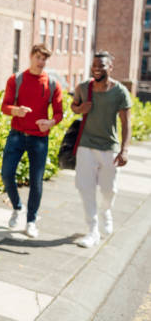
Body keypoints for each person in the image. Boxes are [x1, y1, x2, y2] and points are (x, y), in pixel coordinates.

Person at [0, 43, 63, 238]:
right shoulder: (16, 79)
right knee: (6, 174)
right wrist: (16, 111)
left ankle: (31, 220)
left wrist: (50, 122)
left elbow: (59, 113)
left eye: (44, 59)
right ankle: (17, 207)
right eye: (38, 57)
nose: (41, 62)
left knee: (36, 182)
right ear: (31, 56)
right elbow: (5, 106)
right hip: (17, 135)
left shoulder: (52, 84)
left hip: (39, 139)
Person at [71, 51, 131, 248]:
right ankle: (93, 230)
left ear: (110, 67)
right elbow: (74, 106)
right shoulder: (83, 87)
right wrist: (81, 109)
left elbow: (126, 123)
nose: (96, 69)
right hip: (86, 145)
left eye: (101, 66)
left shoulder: (120, 92)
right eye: (94, 65)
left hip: (109, 147)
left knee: (109, 190)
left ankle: (106, 211)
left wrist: (124, 150)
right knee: (85, 188)